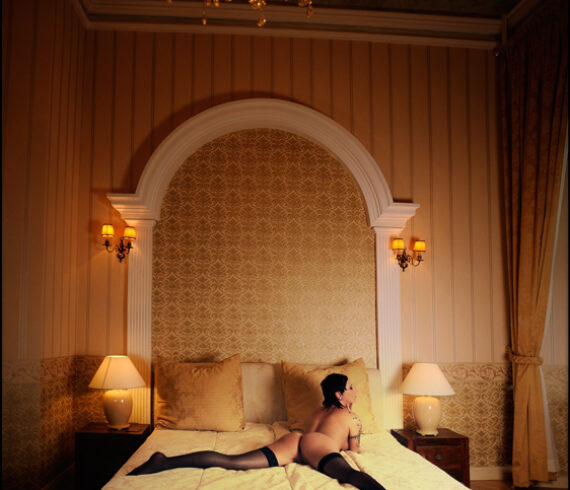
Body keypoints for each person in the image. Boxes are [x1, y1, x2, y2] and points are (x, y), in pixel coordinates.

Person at [128, 373, 385, 490]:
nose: (356, 391)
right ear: (339, 395)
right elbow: (355, 450)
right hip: (318, 446)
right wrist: (346, 440)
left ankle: (164, 462)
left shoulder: (318, 411)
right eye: (351, 388)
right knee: (349, 474)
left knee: (232, 461)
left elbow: (308, 437)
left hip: (295, 441)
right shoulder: (352, 418)